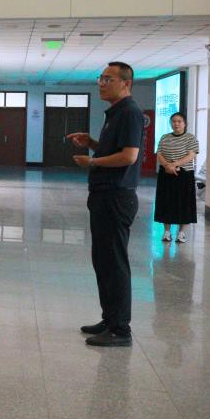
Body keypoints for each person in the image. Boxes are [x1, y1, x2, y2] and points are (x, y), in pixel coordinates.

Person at [68, 61, 144, 348]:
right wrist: (92, 143)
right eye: (100, 78)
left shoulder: (130, 113)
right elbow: (115, 149)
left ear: (126, 83)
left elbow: (129, 156)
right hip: (103, 194)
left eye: (108, 79)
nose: (101, 83)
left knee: (114, 262)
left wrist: (93, 161)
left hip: (116, 196)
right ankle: (110, 319)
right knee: (102, 260)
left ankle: (121, 329)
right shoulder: (115, 113)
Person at [154, 112, 198, 244]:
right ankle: (167, 232)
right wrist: (167, 165)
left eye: (179, 121)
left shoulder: (190, 138)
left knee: (184, 202)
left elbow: (191, 155)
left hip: (184, 174)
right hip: (166, 173)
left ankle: (181, 232)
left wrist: (175, 164)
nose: (176, 124)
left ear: (185, 123)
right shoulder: (164, 137)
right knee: (166, 201)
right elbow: (159, 154)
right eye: (173, 121)